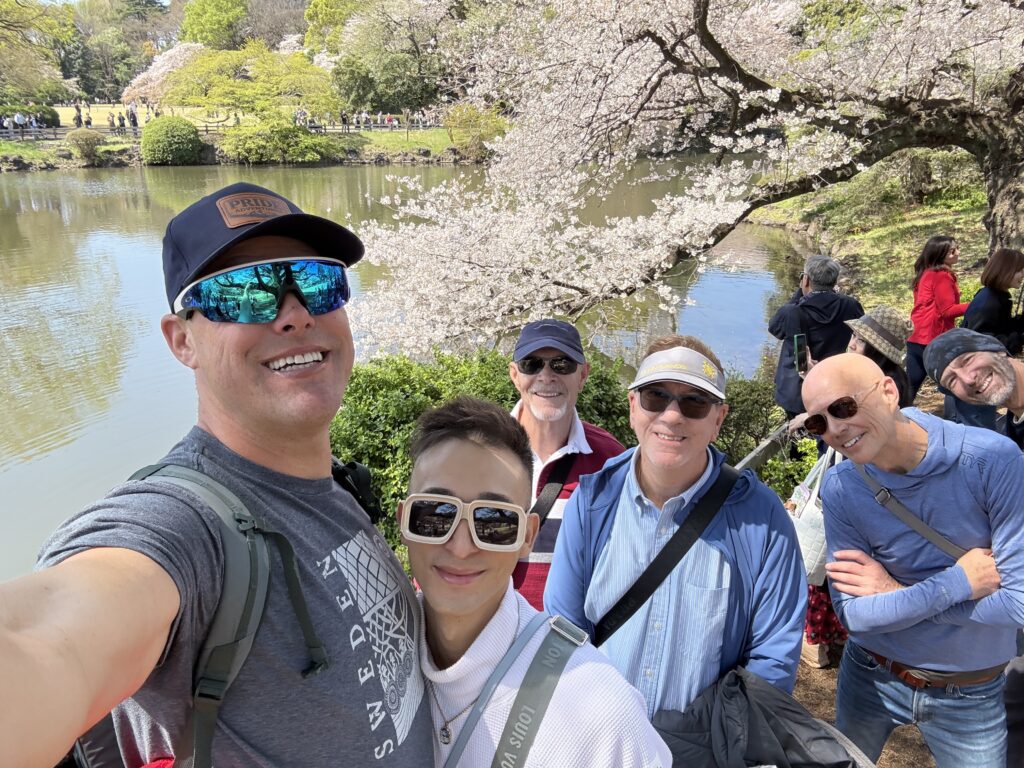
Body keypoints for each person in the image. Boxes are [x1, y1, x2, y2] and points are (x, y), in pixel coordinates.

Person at [0, 183, 433, 767]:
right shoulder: (183, 526)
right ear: (182, 341)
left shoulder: (335, 487)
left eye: (315, 281)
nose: (295, 314)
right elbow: (50, 635)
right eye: (242, 294)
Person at [544, 335, 807, 717]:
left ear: (718, 419)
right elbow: (563, 631)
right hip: (601, 737)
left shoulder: (761, 519)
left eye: (695, 402)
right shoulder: (592, 502)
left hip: (704, 749)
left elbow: (774, 656)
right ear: (633, 406)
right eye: (655, 397)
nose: (671, 415)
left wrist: (726, 741)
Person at [402, 396, 671, 766]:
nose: (461, 546)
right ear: (404, 521)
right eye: (435, 514)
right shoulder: (368, 661)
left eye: (494, 521)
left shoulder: (601, 714)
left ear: (528, 535)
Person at [801, 353, 1024, 767]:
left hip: (969, 688)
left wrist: (894, 594)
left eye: (843, 407)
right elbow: (856, 617)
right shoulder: (842, 486)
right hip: (870, 671)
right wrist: (956, 584)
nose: (834, 429)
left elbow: (1017, 603)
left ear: (888, 391)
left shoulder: (993, 460)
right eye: (817, 422)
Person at [924, 327, 1024, 768]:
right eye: (951, 380)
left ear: (997, 348)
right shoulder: (1006, 436)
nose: (966, 379)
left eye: (966, 361)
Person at [507, 319, 624, 609]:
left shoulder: (609, 460)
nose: (546, 376)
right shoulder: (480, 450)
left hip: (564, 645)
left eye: (562, 364)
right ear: (515, 375)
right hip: (487, 637)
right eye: (532, 364)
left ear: (583, 375)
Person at [770, 254, 863, 420]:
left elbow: (775, 328)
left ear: (805, 280)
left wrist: (800, 292)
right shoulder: (850, 306)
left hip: (796, 392)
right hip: (834, 383)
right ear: (834, 280)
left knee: (798, 438)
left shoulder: (793, 311)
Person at [952, 247, 1024, 429]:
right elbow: (981, 342)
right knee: (978, 429)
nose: (1022, 275)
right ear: (1005, 271)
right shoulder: (989, 301)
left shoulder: (996, 296)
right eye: (1019, 270)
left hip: (978, 377)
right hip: (974, 378)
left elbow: (999, 327)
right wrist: (1017, 337)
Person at [906, 235, 968, 401]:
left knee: (910, 385)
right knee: (952, 385)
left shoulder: (925, 273)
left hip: (916, 336)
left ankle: (895, 419)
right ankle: (956, 421)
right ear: (940, 254)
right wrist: (976, 304)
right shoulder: (941, 276)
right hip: (934, 338)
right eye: (952, 251)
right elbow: (947, 311)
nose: (957, 253)